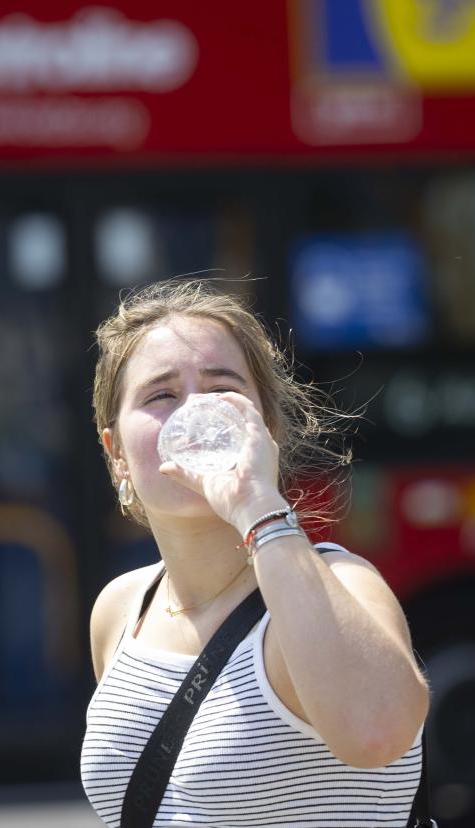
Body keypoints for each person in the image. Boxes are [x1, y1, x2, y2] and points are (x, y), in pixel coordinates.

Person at [81, 279, 430, 827]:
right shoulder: (121, 609)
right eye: (161, 395)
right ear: (117, 453)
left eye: (222, 389)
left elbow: (378, 732)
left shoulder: (342, 582)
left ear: (265, 430)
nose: (196, 413)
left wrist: (257, 507)